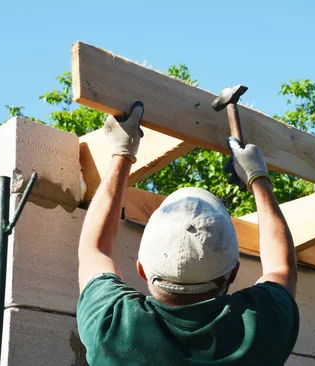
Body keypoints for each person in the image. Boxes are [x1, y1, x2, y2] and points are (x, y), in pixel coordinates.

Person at [76, 101, 299, 365]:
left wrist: (122, 152)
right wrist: (257, 175)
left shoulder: (113, 328)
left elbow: (94, 249)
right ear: (234, 272)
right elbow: (281, 268)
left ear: (142, 269)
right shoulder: (260, 328)